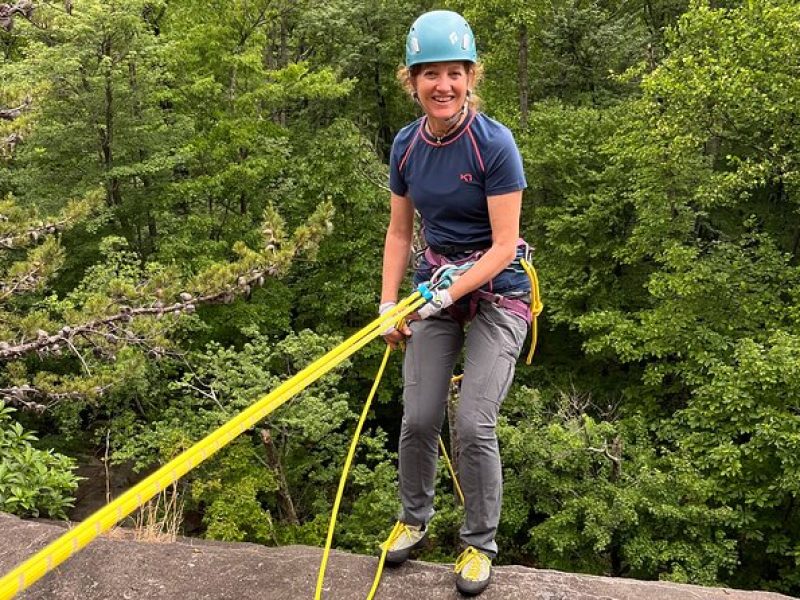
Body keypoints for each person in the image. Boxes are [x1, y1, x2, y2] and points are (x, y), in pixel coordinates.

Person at [378, 9, 531, 597]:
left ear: (471, 77)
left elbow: (501, 248)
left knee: (472, 422)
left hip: (498, 291)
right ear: (412, 81)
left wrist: (448, 290)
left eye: (454, 73)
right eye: (429, 74)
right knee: (418, 417)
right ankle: (413, 520)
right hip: (435, 284)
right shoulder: (406, 146)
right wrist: (390, 303)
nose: (442, 85)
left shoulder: (494, 145)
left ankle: (478, 544)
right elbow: (398, 233)